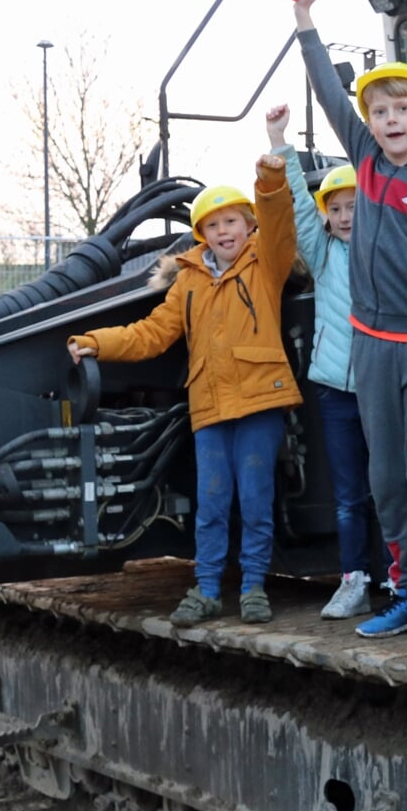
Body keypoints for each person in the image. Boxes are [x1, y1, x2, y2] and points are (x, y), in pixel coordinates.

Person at [292, 0, 407, 643]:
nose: (389, 120)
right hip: (368, 345)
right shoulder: (363, 160)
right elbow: (330, 93)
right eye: (380, 111)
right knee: (384, 479)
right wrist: (305, 20)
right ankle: (401, 592)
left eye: (402, 108)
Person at [66, 155, 302, 626]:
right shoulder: (188, 279)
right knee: (211, 502)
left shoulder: (267, 263)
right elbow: (151, 333)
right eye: (212, 225)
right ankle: (209, 588)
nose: (223, 231)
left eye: (232, 220)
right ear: (201, 234)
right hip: (211, 406)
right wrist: (96, 342)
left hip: (260, 402)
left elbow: (279, 221)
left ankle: (254, 586)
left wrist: (270, 177)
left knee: (255, 499)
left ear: (248, 224)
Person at [266, 104, 375, 620]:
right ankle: (354, 580)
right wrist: (279, 141)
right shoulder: (324, 251)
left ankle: (399, 578)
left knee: (389, 489)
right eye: (337, 208)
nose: (346, 215)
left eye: (356, 205)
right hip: (335, 387)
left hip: (382, 382)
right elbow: (297, 210)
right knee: (350, 492)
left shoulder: (385, 250)